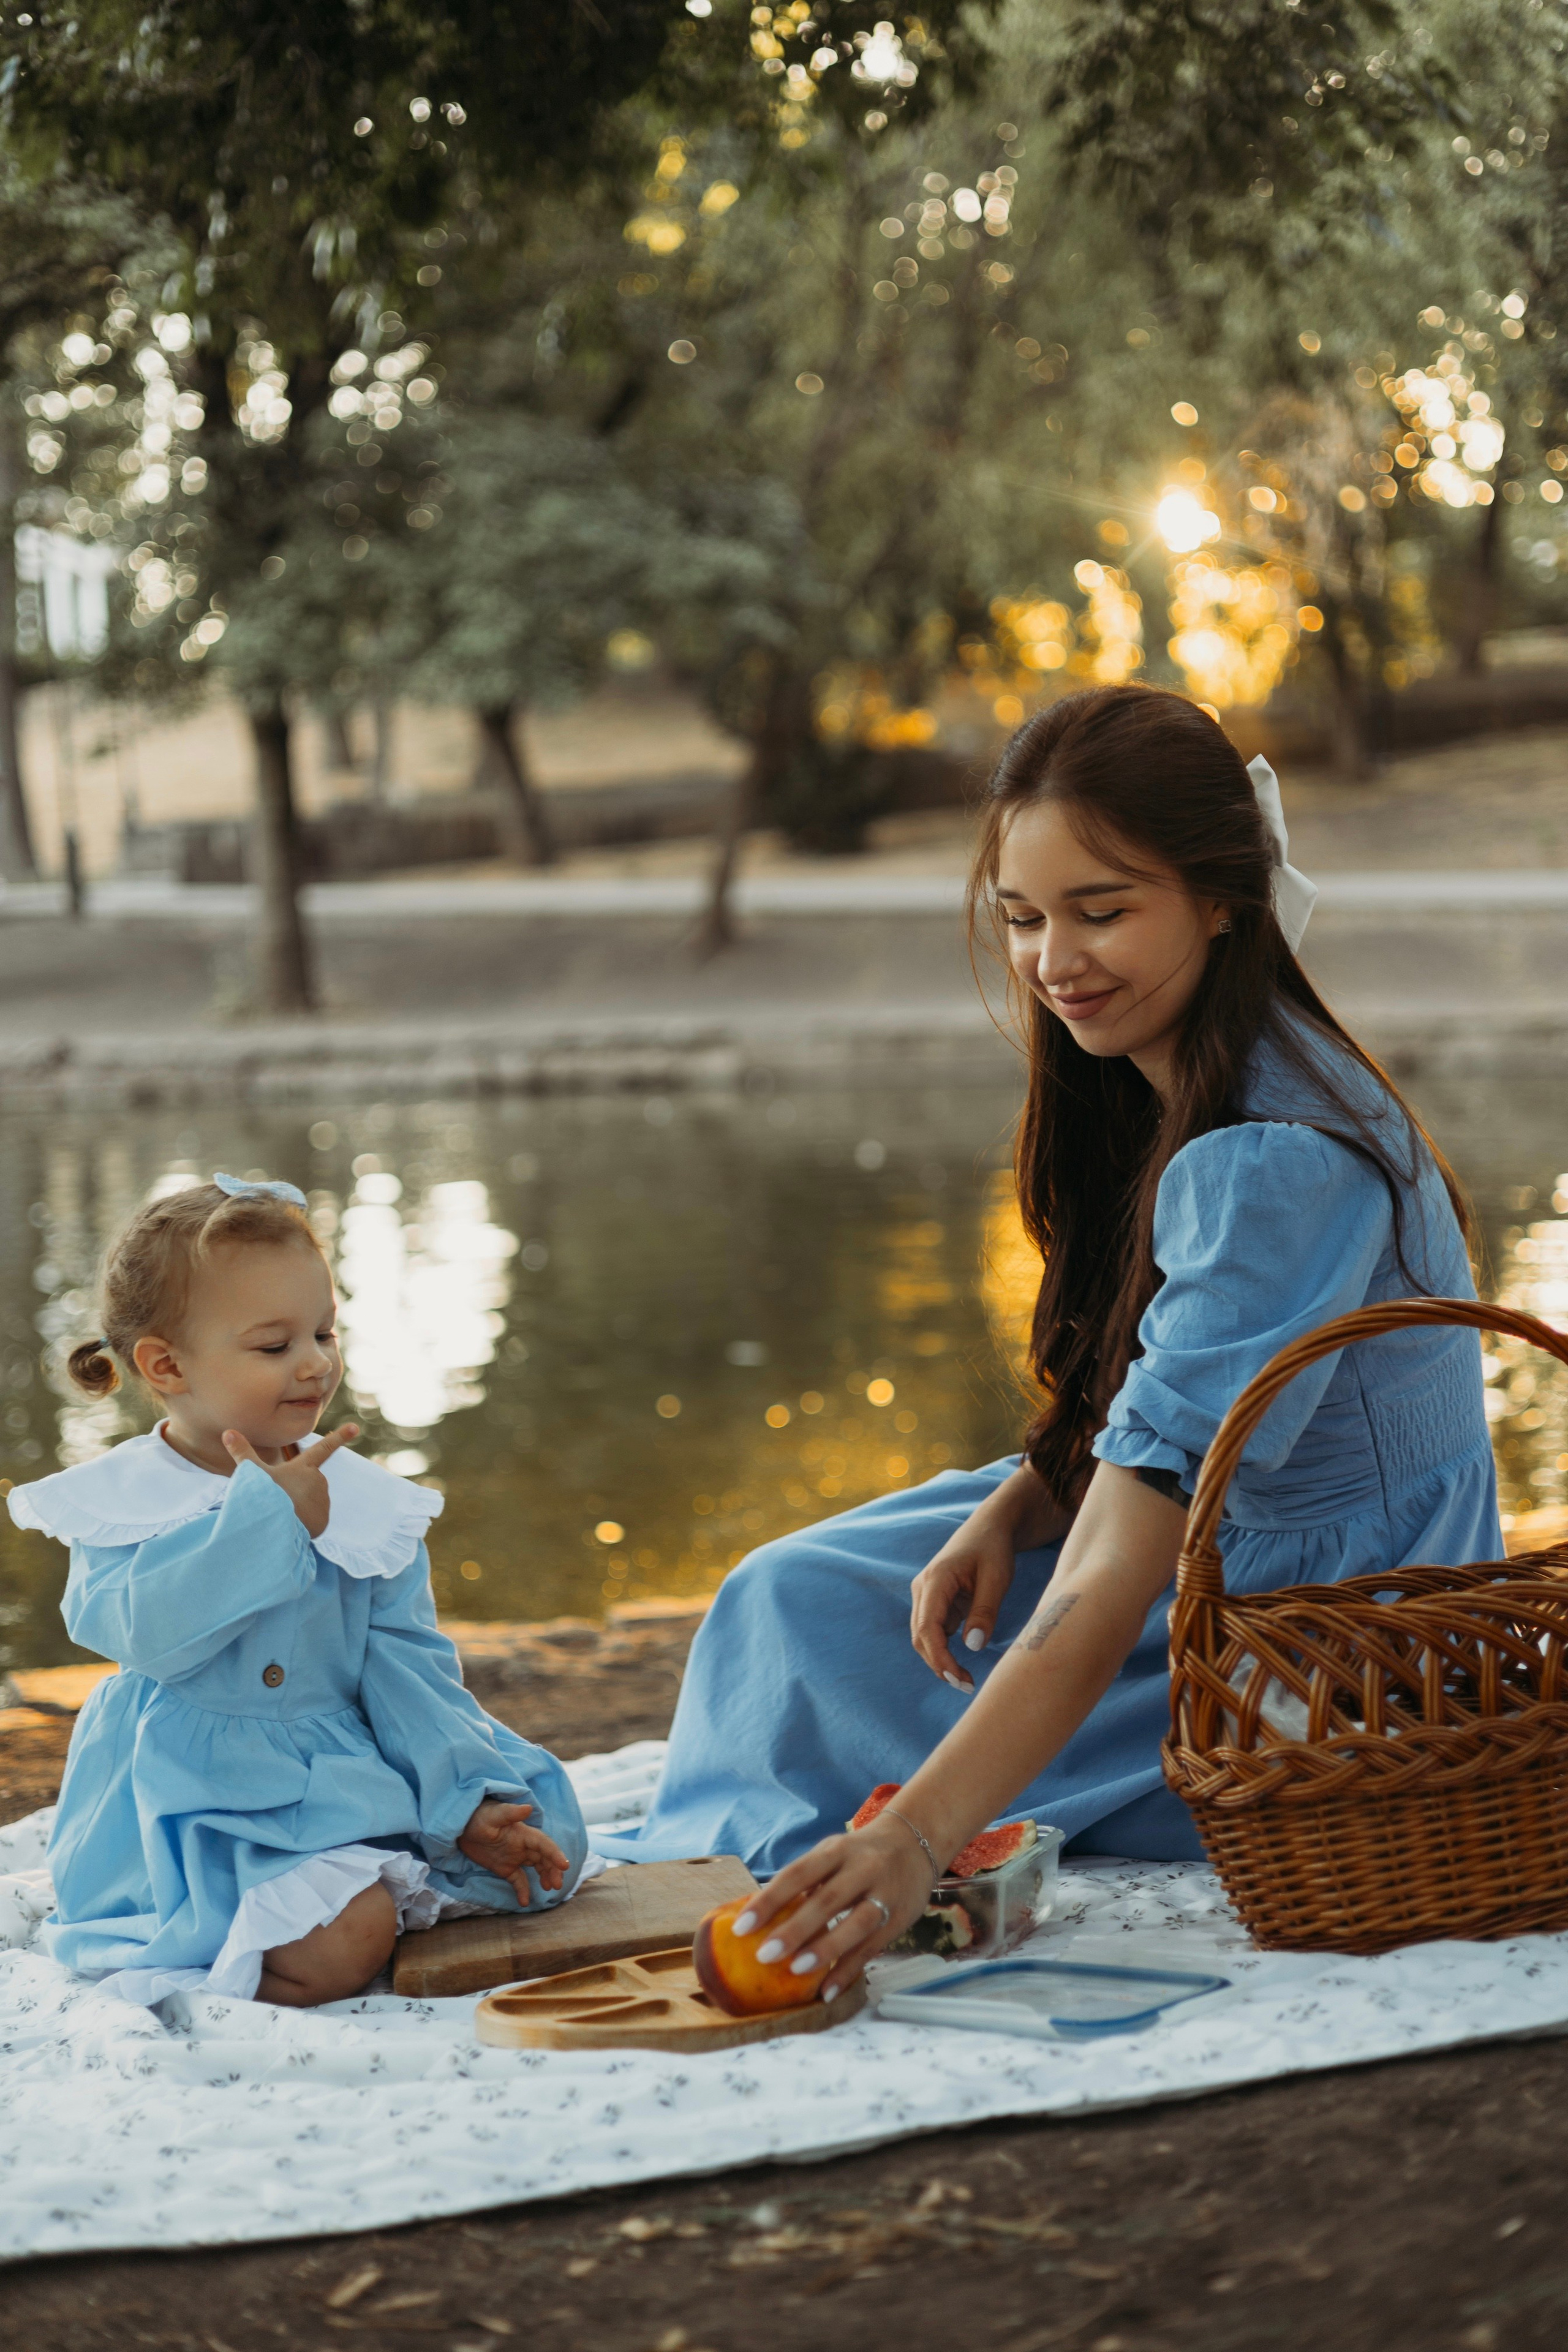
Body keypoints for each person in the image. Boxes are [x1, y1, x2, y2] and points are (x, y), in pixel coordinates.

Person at [595, 684, 1501, 1999]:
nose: (1051, 960)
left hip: (1311, 1632)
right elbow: (1149, 1411)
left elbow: (1133, 1548)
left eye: (1100, 909)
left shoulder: (1278, 1159)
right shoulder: (1184, 1068)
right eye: (1021, 918)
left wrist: (921, 1832)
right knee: (785, 1595)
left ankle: (826, 1880)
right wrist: (1024, 1501)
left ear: (1219, 896)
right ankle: (796, 1847)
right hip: (1211, 1531)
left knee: (817, 1668)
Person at [10, 1172, 587, 2008]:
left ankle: (338, 1893)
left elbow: (410, 1668)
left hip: (334, 1776)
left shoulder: (368, 1504)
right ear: (166, 1364)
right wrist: (264, 1523)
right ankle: (215, 1952)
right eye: (275, 1346)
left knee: (539, 1841)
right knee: (348, 1938)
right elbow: (139, 1635)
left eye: (324, 1332)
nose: (316, 1364)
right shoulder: (123, 1500)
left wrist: (464, 1797)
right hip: (186, 1796)